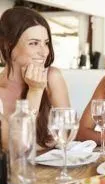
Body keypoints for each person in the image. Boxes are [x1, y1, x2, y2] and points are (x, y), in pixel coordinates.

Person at [0, 7, 70, 150]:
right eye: (33, 43)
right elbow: (17, 148)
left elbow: (67, 132)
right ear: (8, 45)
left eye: (46, 43)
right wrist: (35, 91)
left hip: (55, 169)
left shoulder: (52, 77)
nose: (44, 52)